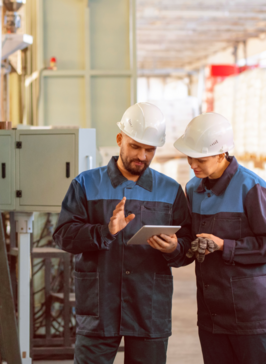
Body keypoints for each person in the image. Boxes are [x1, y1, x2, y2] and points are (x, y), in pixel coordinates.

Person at [53, 102, 194, 364]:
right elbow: (63, 235)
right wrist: (104, 231)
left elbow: (187, 246)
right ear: (120, 139)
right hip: (99, 307)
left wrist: (173, 248)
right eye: (135, 146)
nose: (142, 155)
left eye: (149, 149)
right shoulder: (85, 184)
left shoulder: (170, 191)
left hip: (148, 307)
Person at [173, 112, 266, 364]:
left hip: (253, 314)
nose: (193, 163)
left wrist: (224, 245)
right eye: (190, 156)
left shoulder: (252, 188)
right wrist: (176, 246)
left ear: (221, 153)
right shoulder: (193, 189)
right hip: (212, 314)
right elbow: (188, 239)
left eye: (200, 158)